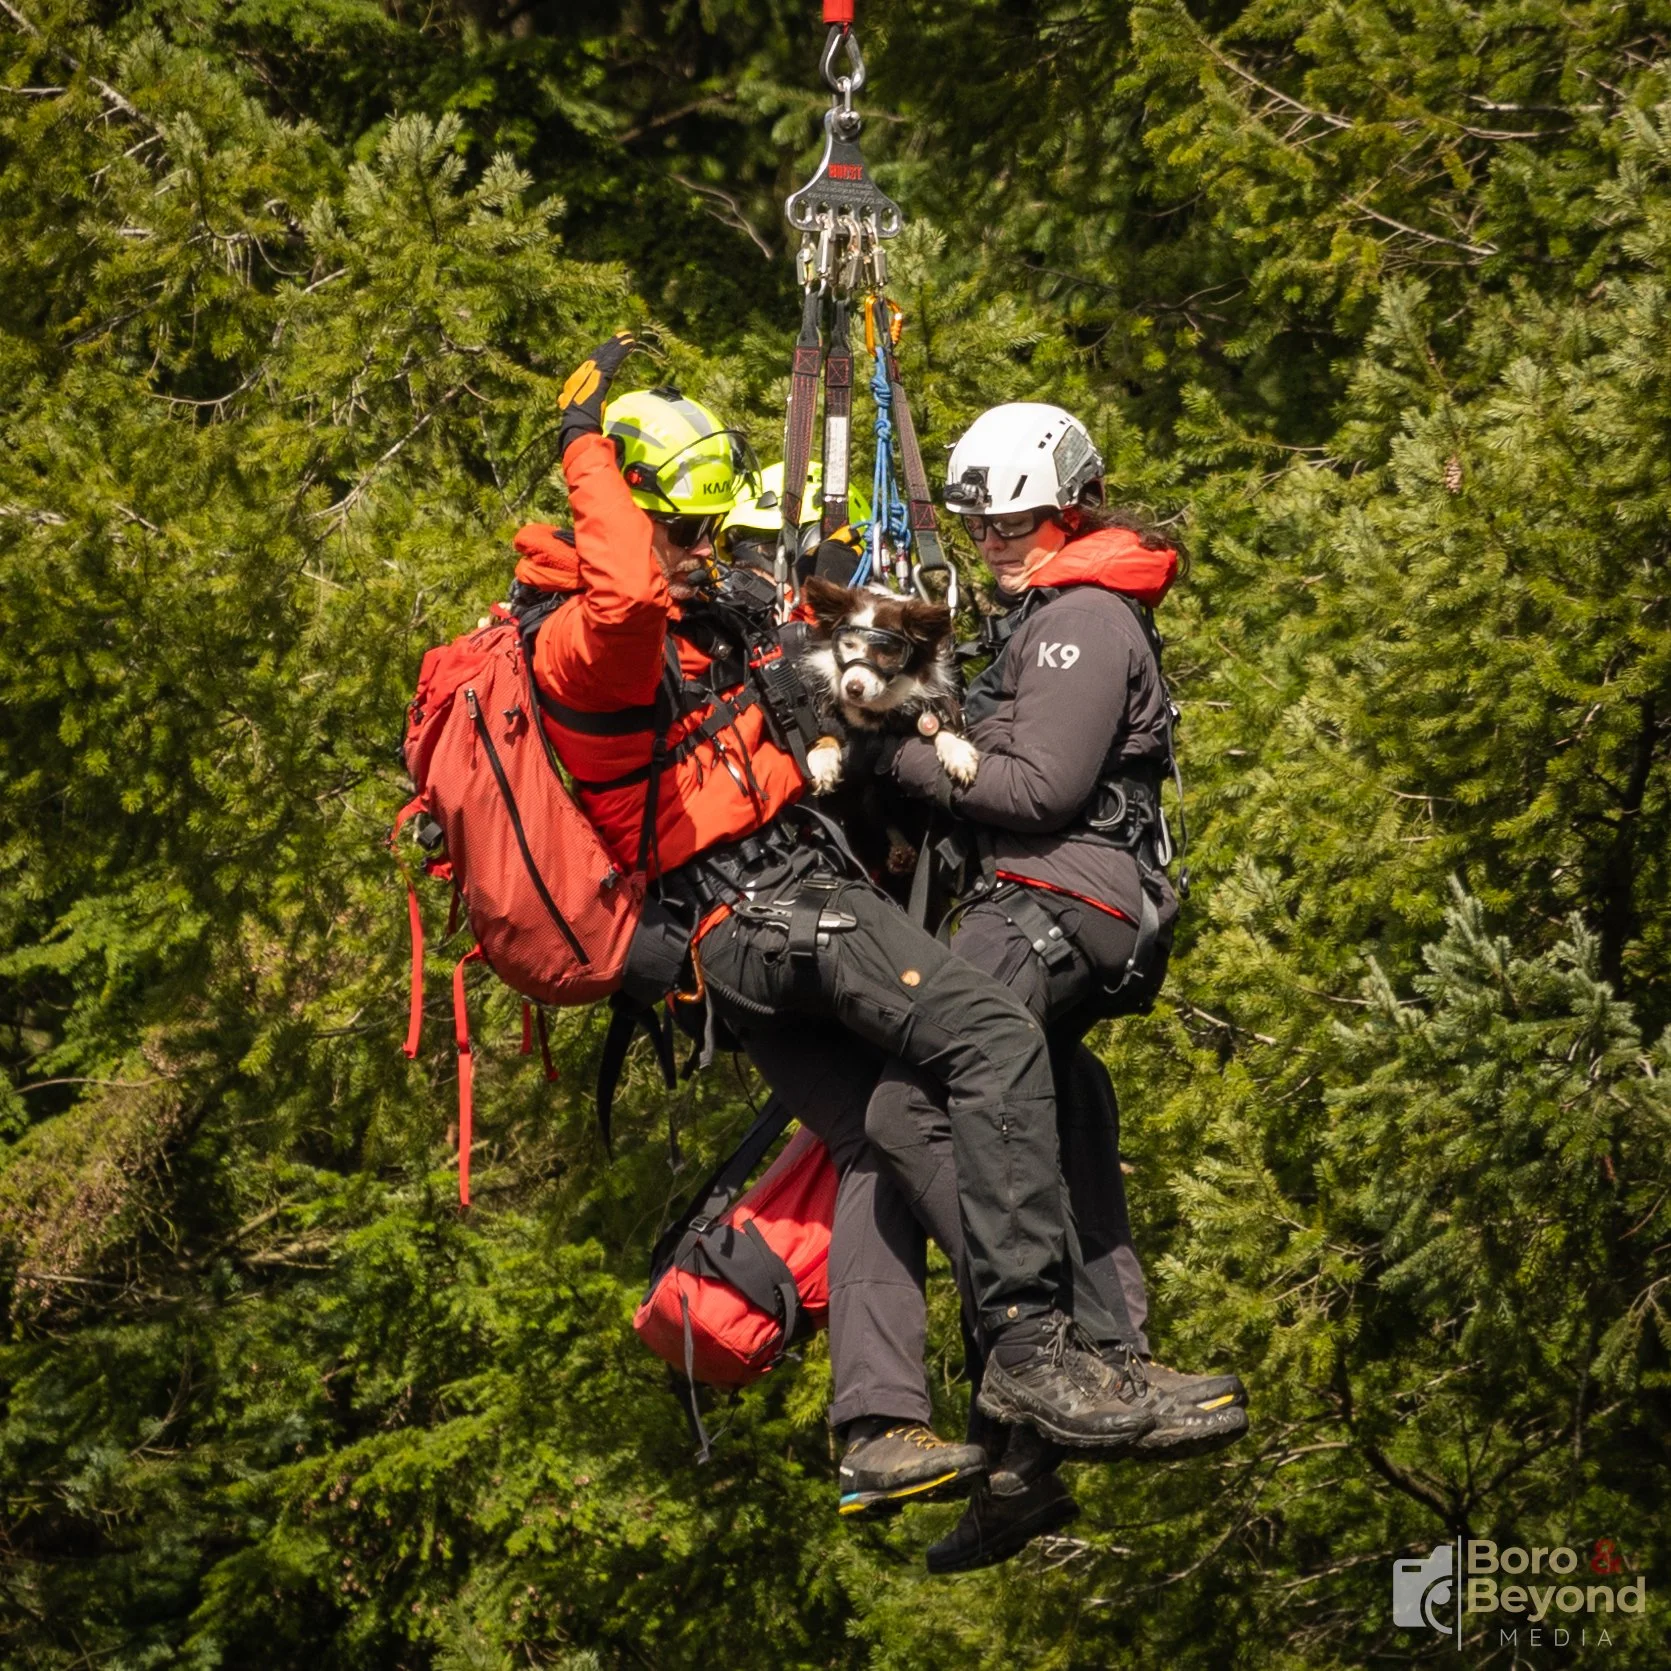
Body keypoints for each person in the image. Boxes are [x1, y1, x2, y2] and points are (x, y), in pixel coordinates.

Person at [524, 336, 1179, 1512]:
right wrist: (584, 446)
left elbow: (833, 665)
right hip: (762, 916)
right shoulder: (586, 636)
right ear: (624, 513)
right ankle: (1042, 1354)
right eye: (682, 528)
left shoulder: (709, 614)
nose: (699, 553)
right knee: (989, 1036)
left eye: (712, 530)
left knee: (883, 1128)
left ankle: (880, 1426)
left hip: (760, 926)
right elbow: (620, 582)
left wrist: (866, 638)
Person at [864, 401, 1248, 1572]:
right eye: (983, 525)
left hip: (1065, 897)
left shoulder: (1083, 618)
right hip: (1049, 901)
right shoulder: (1034, 619)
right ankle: (1049, 1431)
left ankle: (1044, 1356)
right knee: (1051, 1103)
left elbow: (1034, 791)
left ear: (1068, 509)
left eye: (1019, 520)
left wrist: (894, 755)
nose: (998, 541)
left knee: (904, 1102)